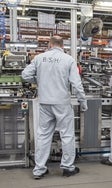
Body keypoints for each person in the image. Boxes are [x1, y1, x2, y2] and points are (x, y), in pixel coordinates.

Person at [21, 36, 88, 179]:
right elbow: (76, 84)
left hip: (45, 103)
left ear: (50, 44)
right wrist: (83, 101)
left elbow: (25, 75)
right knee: (67, 135)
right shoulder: (68, 59)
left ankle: (39, 169)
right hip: (62, 103)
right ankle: (68, 168)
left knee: (43, 135)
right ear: (62, 46)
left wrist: (38, 80)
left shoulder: (40, 58)